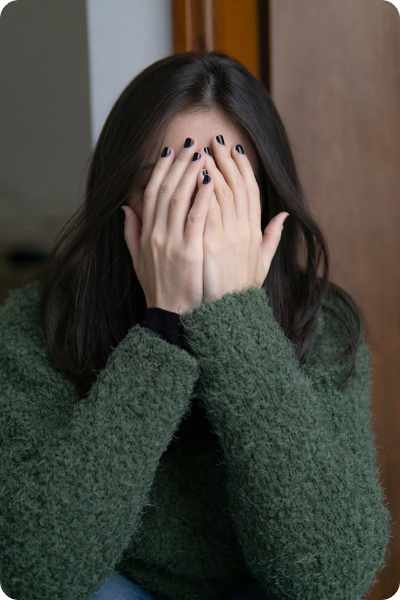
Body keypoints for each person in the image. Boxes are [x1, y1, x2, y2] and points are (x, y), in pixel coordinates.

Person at [0, 51, 392, 600]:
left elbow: (331, 575)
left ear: (265, 200)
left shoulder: (320, 324)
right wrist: (163, 325)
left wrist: (235, 318)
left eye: (226, 184)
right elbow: (35, 568)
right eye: (169, 182)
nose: (200, 212)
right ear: (120, 201)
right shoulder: (39, 322)